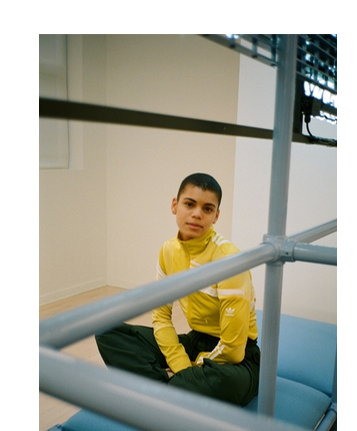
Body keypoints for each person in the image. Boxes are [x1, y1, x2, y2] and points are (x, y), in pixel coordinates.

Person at [95, 173, 260, 406]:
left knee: (225, 381)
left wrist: (194, 367)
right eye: (190, 204)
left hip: (238, 359)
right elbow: (161, 316)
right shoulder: (168, 251)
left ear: (216, 215)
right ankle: (175, 388)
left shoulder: (230, 260)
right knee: (107, 333)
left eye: (207, 209)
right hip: (196, 341)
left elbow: (233, 349)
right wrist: (182, 364)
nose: (197, 214)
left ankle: (164, 389)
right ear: (175, 205)